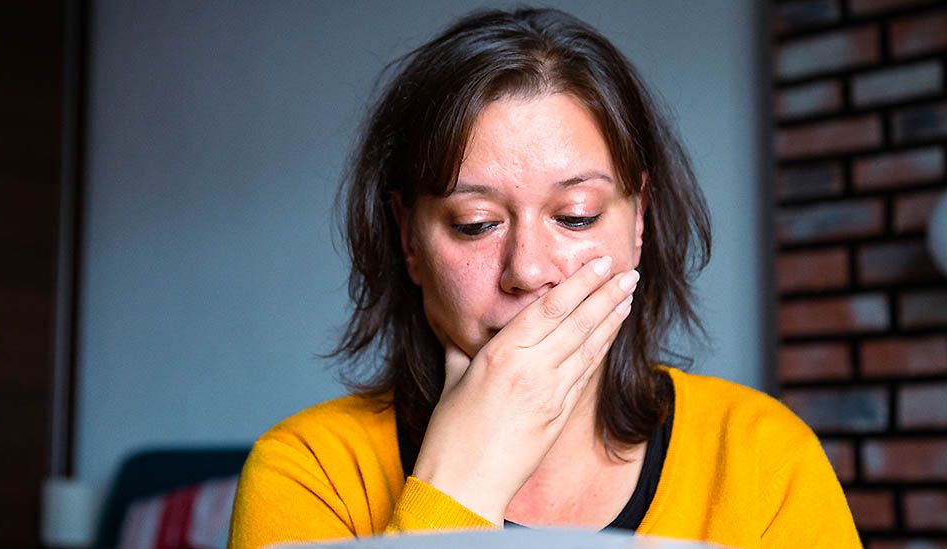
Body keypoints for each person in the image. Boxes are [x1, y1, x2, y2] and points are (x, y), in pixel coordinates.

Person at [229, 7, 860, 549]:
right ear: (408, 238)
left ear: (638, 219)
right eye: (476, 223)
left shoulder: (761, 458)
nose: (527, 270)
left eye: (576, 216)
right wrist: (458, 485)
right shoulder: (309, 471)